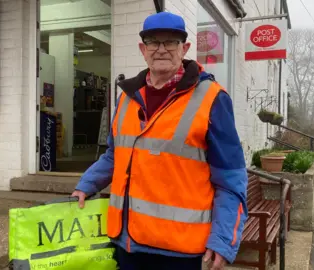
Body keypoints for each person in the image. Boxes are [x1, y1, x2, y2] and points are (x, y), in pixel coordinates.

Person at [71, 11, 248, 270]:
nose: (161, 49)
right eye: (154, 42)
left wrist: (222, 240)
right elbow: (114, 155)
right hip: (127, 243)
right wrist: (85, 185)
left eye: (171, 42)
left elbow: (230, 179)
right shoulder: (127, 98)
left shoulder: (212, 99)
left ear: (185, 48)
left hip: (179, 252)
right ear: (143, 49)